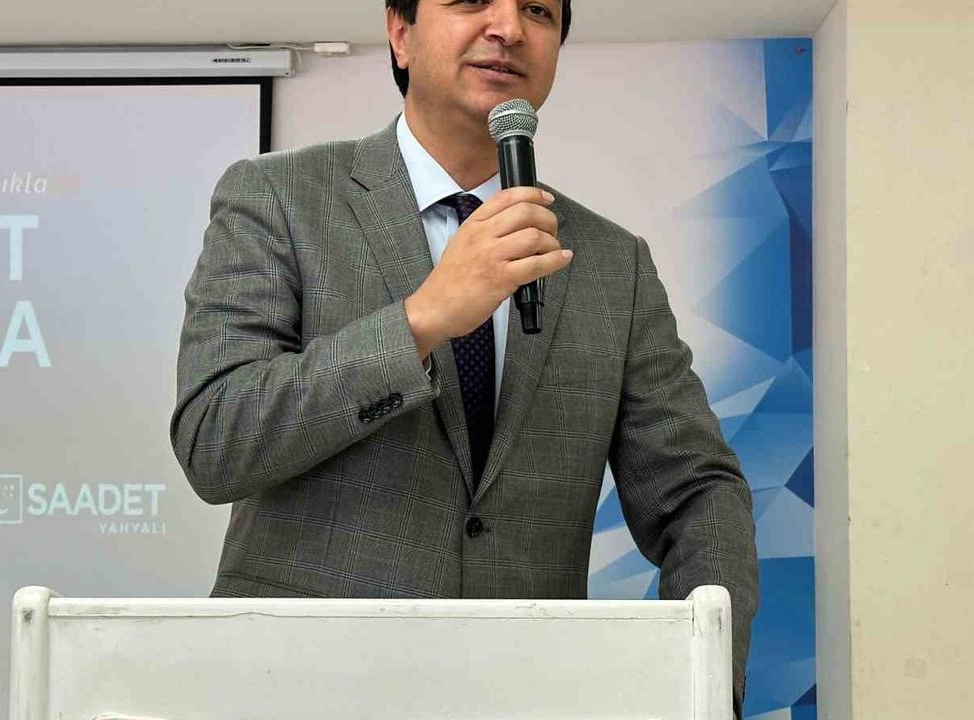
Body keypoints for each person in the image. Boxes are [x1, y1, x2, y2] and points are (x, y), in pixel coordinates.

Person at [170, 1, 758, 717]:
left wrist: (705, 682)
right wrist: (422, 320)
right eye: (473, 0)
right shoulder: (278, 198)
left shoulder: (612, 262)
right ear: (399, 32)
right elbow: (217, 440)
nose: (508, 28)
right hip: (295, 686)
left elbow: (696, 490)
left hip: (529, 694)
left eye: (537, 10)